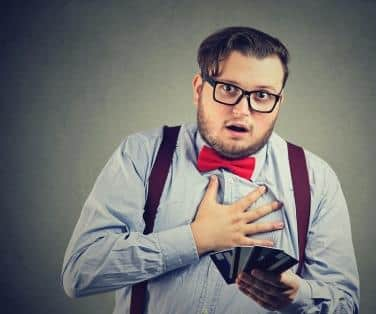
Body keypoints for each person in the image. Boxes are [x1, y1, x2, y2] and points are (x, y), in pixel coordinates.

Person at [61, 26, 360, 313]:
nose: (242, 110)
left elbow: (346, 306)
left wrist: (299, 297)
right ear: (199, 88)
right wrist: (197, 238)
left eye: (262, 96)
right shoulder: (142, 154)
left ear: (279, 102)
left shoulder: (315, 180)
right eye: (228, 89)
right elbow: (80, 272)